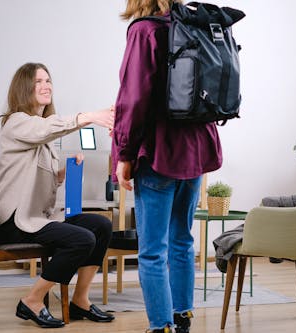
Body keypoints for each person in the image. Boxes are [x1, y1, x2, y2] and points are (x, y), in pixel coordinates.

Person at [111, 1, 223, 332]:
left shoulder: (145, 31)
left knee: (151, 251)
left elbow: (133, 100)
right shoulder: (195, 25)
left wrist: (124, 153)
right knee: (182, 241)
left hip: (159, 153)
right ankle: (182, 317)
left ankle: (160, 327)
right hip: (196, 152)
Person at [0, 62, 115, 329]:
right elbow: (45, 129)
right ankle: (32, 300)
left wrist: (61, 174)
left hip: (35, 218)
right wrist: (90, 116)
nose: (46, 85)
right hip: (14, 223)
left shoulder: (41, 129)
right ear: (24, 88)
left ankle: (80, 300)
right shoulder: (17, 122)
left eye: (48, 80)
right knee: (82, 239)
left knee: (101, 225)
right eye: (38, 81)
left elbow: (36, 176)